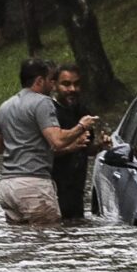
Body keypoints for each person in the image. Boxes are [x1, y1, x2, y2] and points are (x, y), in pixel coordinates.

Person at [0, 58, 98, 225]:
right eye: (50, 80)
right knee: (48, 242)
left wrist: (22, 142)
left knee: (20, 245)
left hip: (7, 186)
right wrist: (81, 126)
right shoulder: (42, 102)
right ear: (40, 81)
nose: (52, 85)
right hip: (33, 184)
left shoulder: (6, 105)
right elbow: (57, 141)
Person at [51, 64, 110, 219]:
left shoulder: (83, 111)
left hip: (76, 191)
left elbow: (86, 148)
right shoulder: (49, 113)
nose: (72, 89)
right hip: (51, 190)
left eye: (76, 84)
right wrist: (70, 147)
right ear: (54, 85)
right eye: (66, 84)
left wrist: (100, 146)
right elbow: (41, 153)